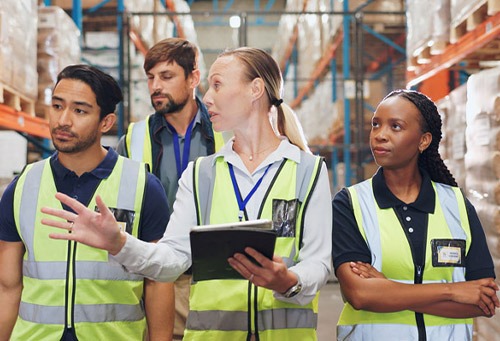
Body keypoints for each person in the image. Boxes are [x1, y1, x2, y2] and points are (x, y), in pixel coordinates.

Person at [41, 47, 333, 340]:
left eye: (217, 85)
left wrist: (288, 281)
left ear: (255, 89)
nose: (207, 98)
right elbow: (171, 261)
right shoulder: (199, 174)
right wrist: (120, 243)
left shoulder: (308, 171)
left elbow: (318, 262)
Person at [0, 64, 174, 340]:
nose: (63, 120)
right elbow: (8, 287)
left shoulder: (142, 186)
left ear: (106, 122)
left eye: (79, 111)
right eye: (57, 106)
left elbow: (158, 282)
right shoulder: (23, 186)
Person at [331, 89, 499, 340]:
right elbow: (360, 294)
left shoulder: (455, 204)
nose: (380, 135)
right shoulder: (351, 204)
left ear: (424, 140)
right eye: (376, 125)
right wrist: (453, 291)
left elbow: (482, 301)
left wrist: (387, 288)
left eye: (395, 127)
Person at [116, 37, 224, 340]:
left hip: (213, 278)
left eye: (166, 76)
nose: (155, 86)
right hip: (156, 279)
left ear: (193, 78)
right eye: (150, 77)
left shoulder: (225, 133)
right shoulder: (134, 139)